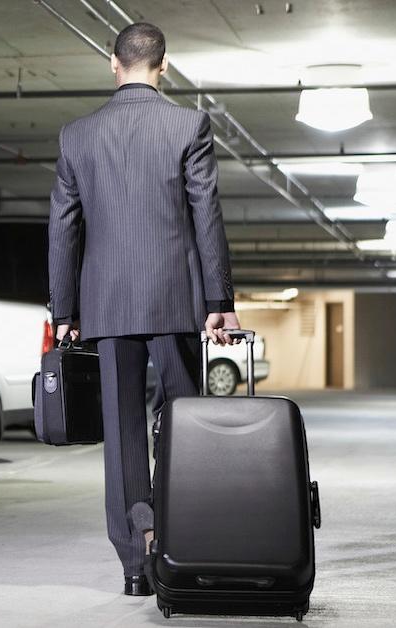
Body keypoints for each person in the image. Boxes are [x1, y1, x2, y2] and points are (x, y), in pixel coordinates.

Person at [47, 22, 240, 596]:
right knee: (185, 421)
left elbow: (62, 225)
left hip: (107, 305)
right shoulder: (188, 125)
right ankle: (185, 544)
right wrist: (219, 300)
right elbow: (206, 214)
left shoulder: (77, 135)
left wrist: (65, 308)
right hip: (176, 301)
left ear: (113, 63)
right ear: (163, 65)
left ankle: (136, 560)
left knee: (123, 431)